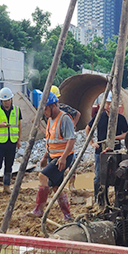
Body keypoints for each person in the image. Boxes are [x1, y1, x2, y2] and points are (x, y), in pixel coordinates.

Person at [28, 92, 74, 221]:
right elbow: (50, 141)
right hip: (54, 156)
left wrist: (64, 158)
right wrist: (44, 157)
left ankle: (38, 209)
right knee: (56, 187)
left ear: (53, 105)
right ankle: (67, 215)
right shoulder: (50, 120)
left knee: (42, 176)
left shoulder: (64, 118)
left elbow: (71, 139)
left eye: (45, 108)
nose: (44, 112)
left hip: (63, 157)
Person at [85, 92, 128, 205]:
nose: (110, 106)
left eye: (112, 103)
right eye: (108, 103)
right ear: (104, 104)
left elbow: (126, 134)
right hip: (100, 152)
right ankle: (99, 201)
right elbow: (88, 128)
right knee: (99, 177)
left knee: (118, 176)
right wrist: (92, 143)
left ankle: (118, 202)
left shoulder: (121, 118)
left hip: (116, 152)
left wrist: (115, 137)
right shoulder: (99, 117)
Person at [0, 87, 22, 196]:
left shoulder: (16, 110)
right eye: (5, 100)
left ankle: (7, 186)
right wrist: (0, 125)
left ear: (11, 99)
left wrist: (19, 140)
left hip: (11, 142)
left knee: (9, 165)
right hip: (0, 143)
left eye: (9, 100)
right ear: (1, 101)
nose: (7, 102)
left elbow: (19, 126)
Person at [50, 85, 81, 191]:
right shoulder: (48, 111)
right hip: (56, 145)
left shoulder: (64, 108)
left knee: (71, 163)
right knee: (55, 167)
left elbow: (77, 114)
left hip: (67, 141)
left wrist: (72, 126)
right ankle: (56, 187)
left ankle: (71, 185)